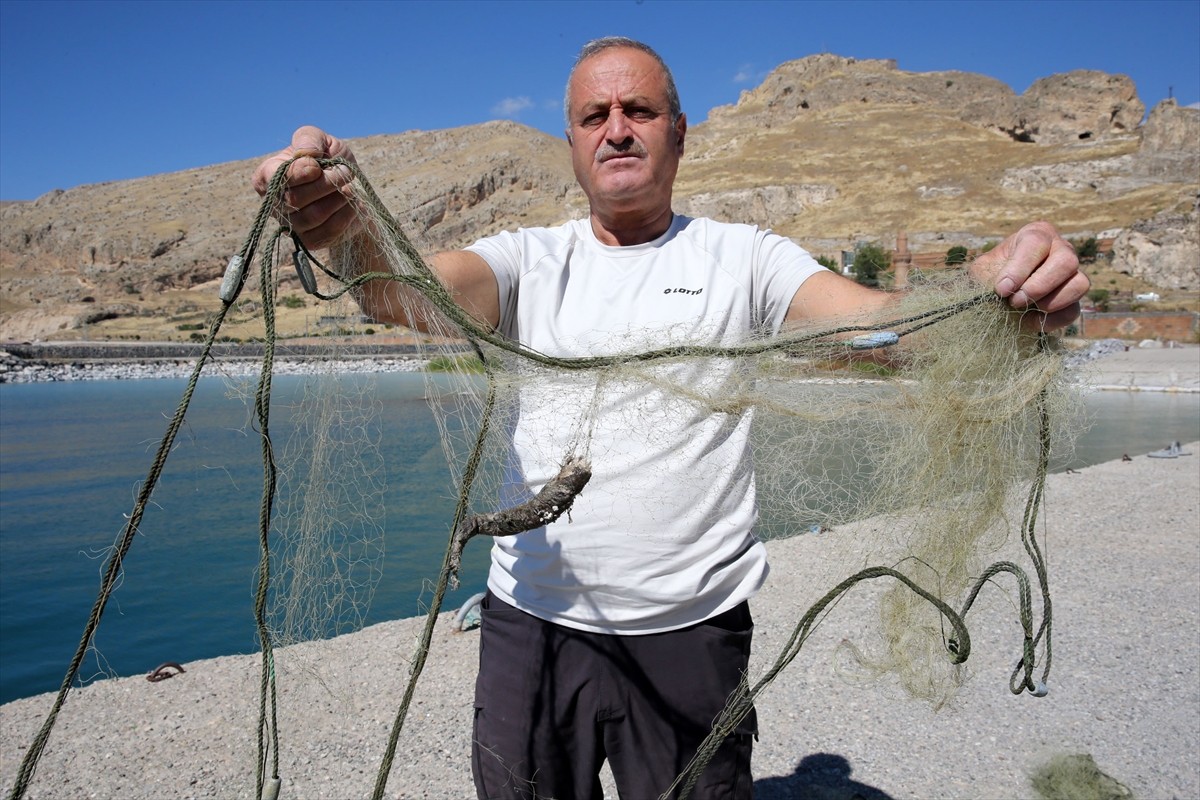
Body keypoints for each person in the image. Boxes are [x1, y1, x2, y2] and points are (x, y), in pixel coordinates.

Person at [253, 36, 1088, 800]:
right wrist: (345, 230)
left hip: (695, 634)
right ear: (574, 144)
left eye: (639, 110)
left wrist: (987, 301)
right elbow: (401, 291)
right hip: (533, 625)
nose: (617, 129)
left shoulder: (744, 257)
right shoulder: (527, 260)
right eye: (594, 116)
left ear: (679, 134)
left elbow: (880, 329)